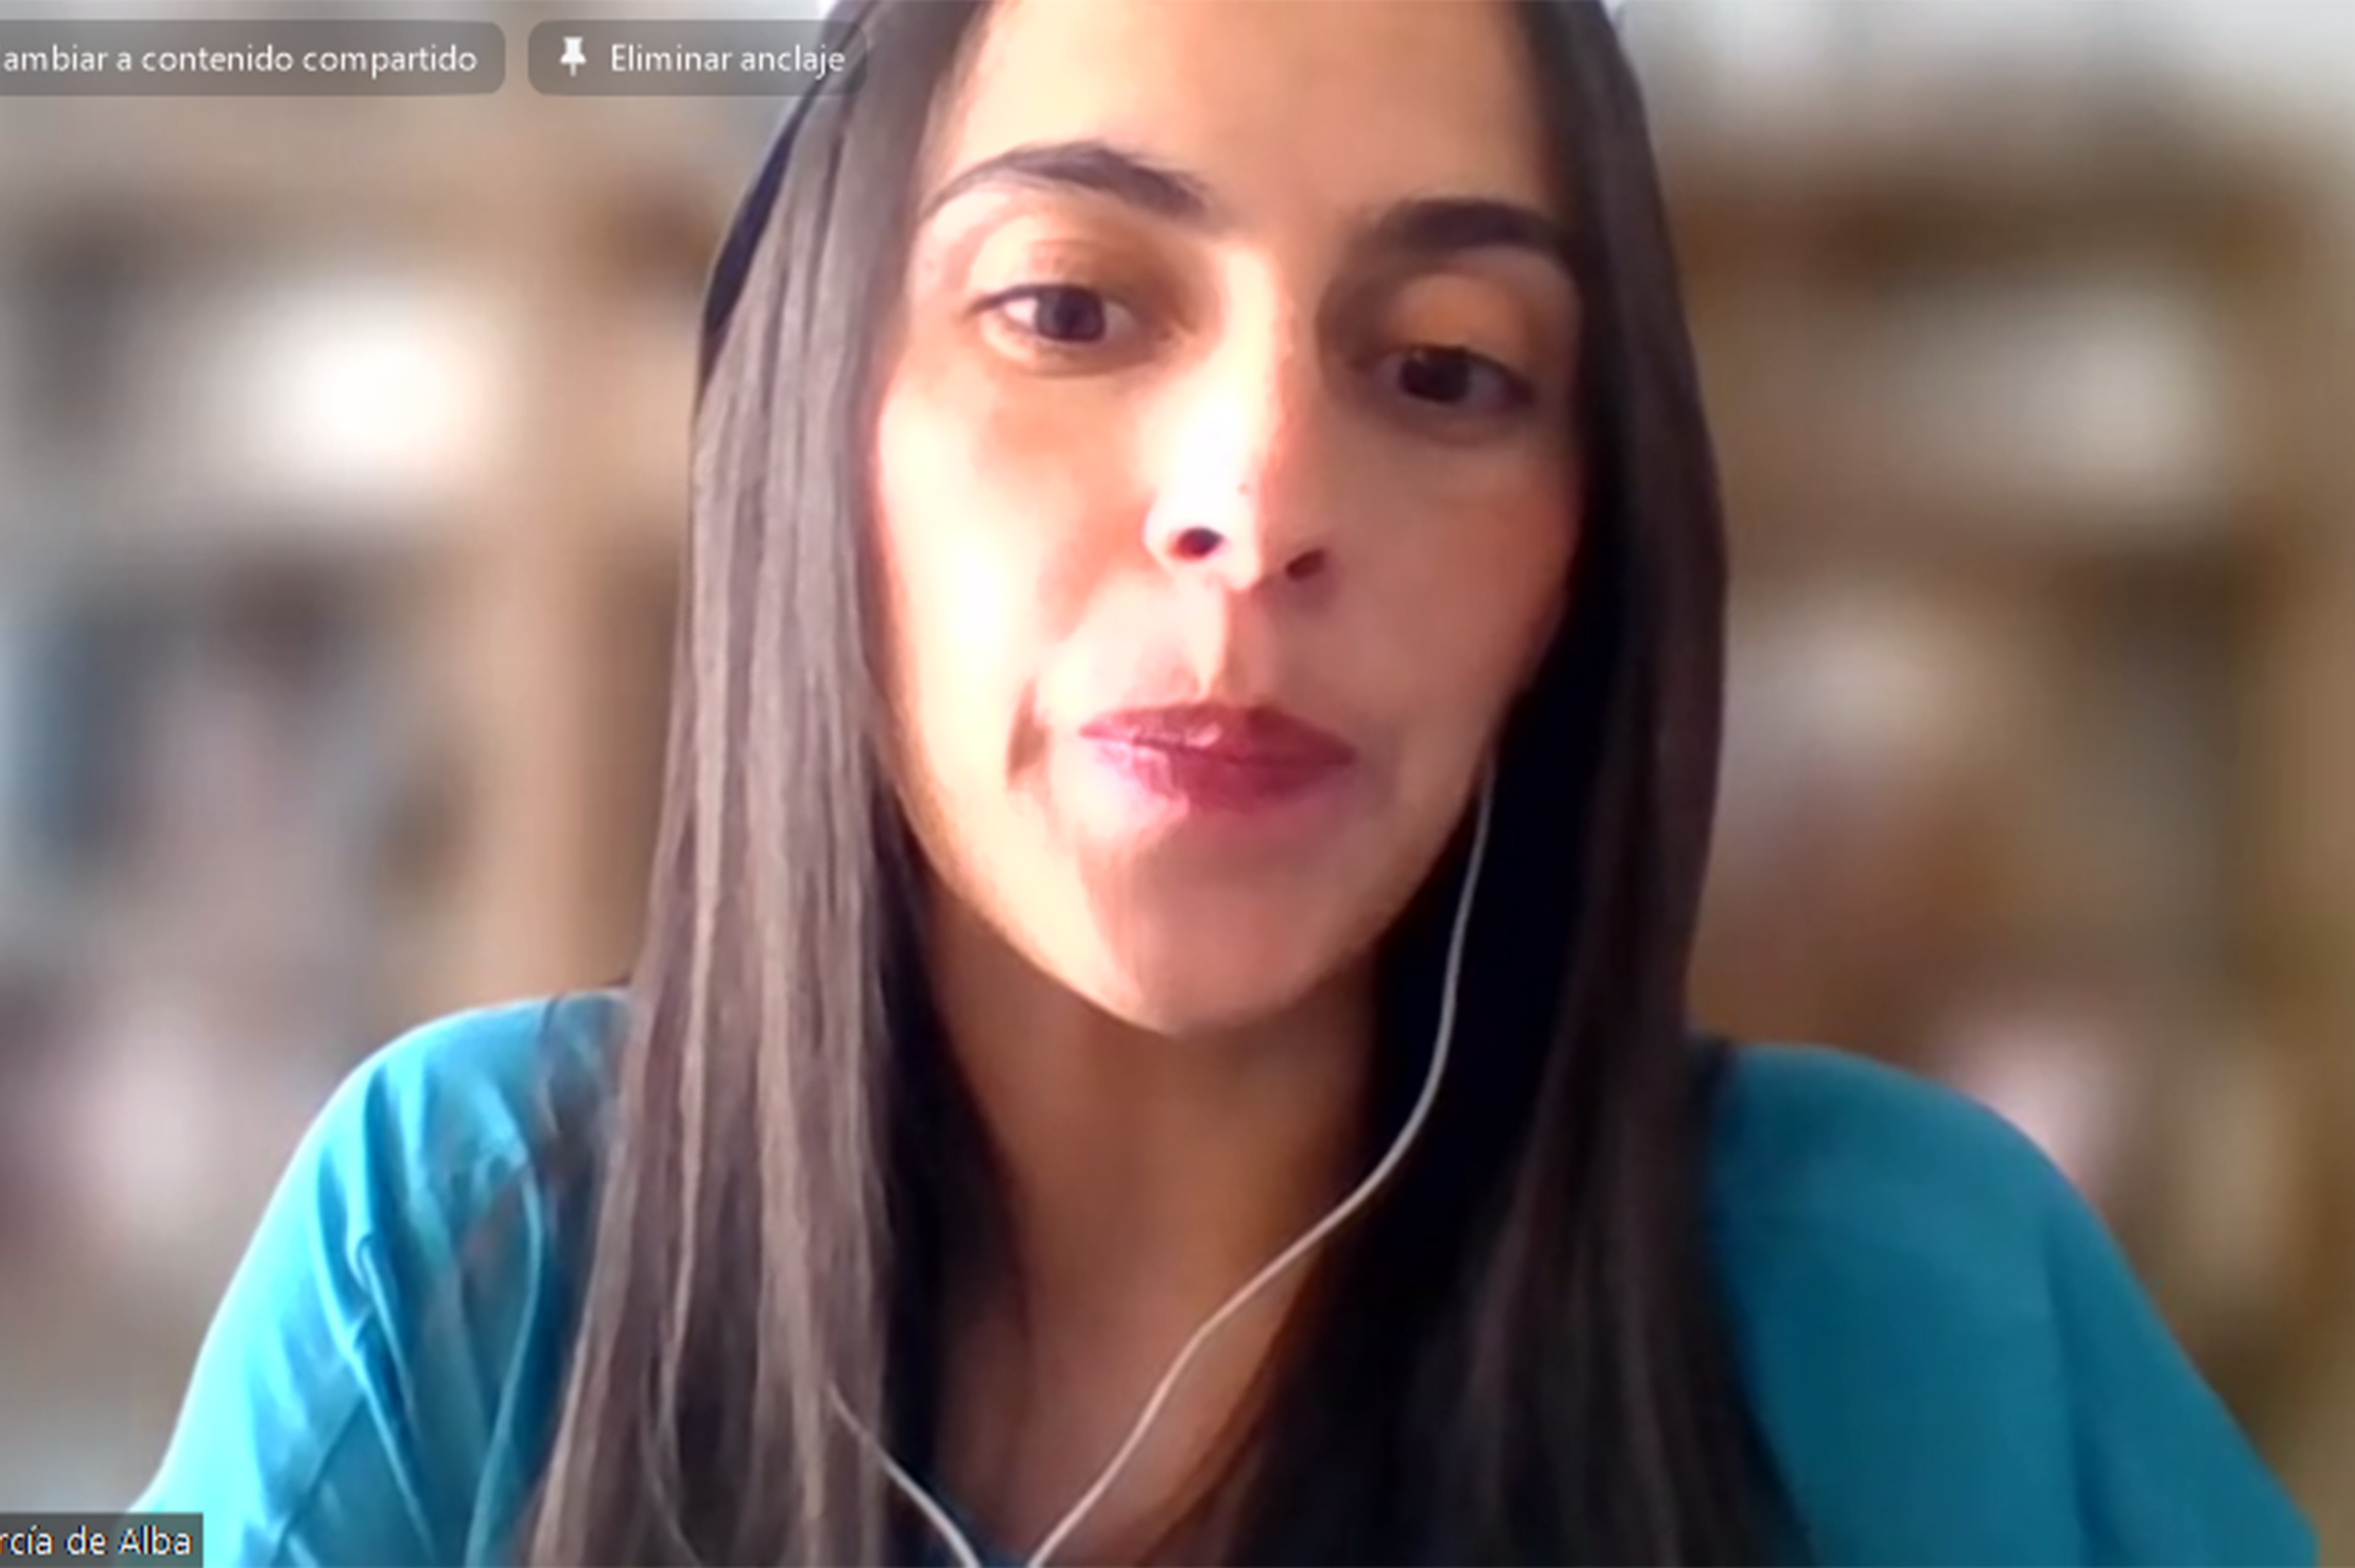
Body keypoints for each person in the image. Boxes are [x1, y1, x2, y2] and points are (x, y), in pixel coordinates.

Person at [134, 1, 2317, 1563]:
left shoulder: (1913, 1311)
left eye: (1444, 367)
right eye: (1069, 310)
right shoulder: (459, 1248)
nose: (1257, 505)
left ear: (1574, 563)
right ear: (814, 424)